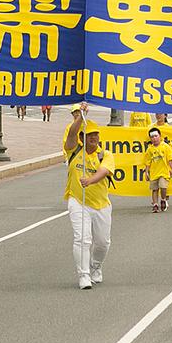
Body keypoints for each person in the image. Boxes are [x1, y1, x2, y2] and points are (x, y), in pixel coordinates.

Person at [63, 103, 115, 290]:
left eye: (96, 135)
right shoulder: (73, 150)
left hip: (101, 203)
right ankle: (83, 275)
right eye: (90, 135)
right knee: (82, 239)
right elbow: (70, 136)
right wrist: (80, 116)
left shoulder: (105, 154)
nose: (94, 138)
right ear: (82, 138)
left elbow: (104, 171)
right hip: (78, 201)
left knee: (103, 242)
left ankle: (95, 267)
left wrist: (90, 180)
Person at [143, 126, 172, 212]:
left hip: (164, 172)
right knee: (154, 189)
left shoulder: (166, 147)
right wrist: (146, 172)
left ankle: (163, 199)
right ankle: (155, 204)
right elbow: (147, 162)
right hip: (154, 173)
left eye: (156, 136)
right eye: (152, 137)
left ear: (160, 136)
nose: (154, 138)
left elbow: (170, 159)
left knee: (163, 187)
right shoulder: (150, 149)